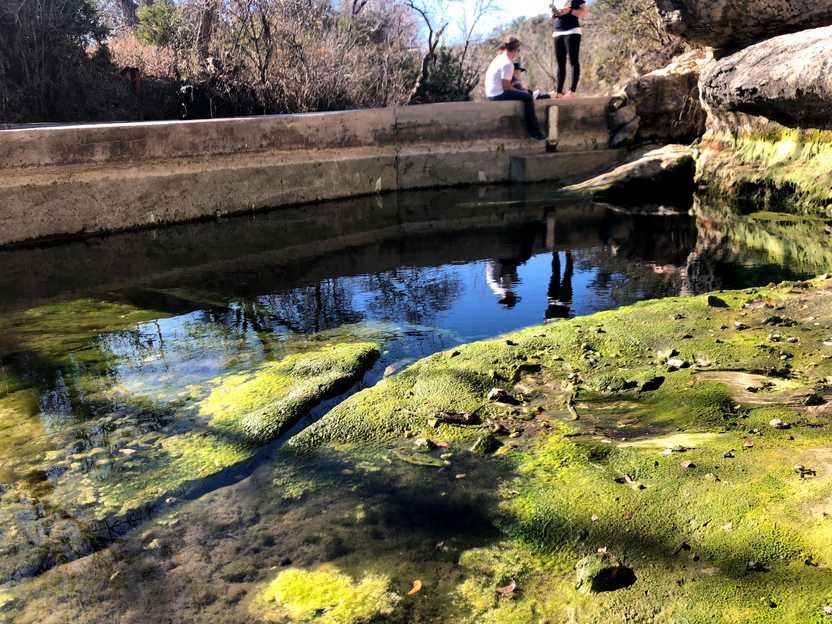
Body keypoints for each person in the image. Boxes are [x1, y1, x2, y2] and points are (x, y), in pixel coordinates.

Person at [485, 36, 547, 141]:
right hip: (497, 94)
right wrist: (522, 91)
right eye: (518, 50)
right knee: (527, 98)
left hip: (490, 93)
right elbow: (506, 87)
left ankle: (534, 132)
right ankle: (534, 133)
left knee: (525, 94)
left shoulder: (498, 58)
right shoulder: (508, 63)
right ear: (515, 50)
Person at [552, 0, 589, 98]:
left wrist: (569, 11)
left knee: (573, 60)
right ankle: (558, 92)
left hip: (572, 31)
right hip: (557, 32)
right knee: (560, 63)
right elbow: (550, 14)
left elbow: (584, 12)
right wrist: (554, 13)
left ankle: (572, 91)